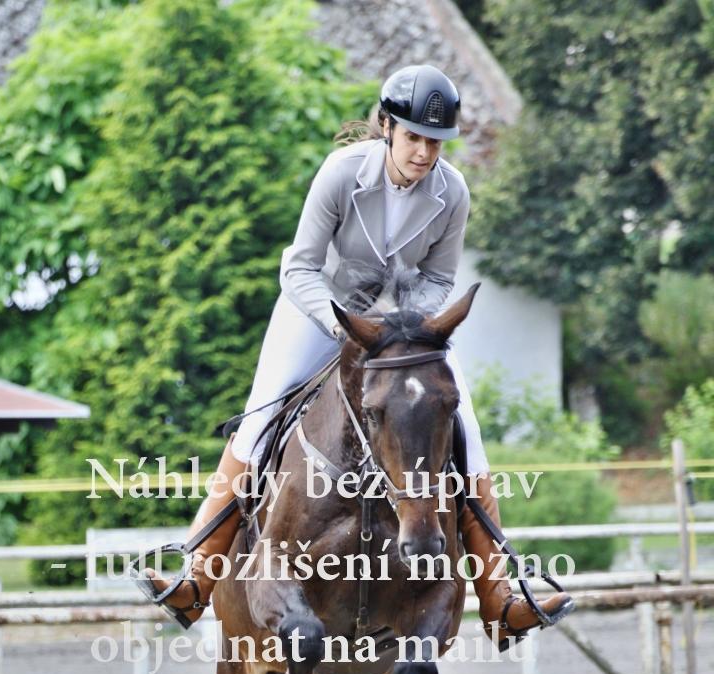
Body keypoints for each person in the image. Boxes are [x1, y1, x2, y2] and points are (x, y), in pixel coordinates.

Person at [144, 63, 571, 643]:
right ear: (387, 127)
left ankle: (500, 594)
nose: (424, 153)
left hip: (400, 331)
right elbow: (299, 267)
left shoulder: (452, 192)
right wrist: (343, 325)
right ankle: (196, 574)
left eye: (436, 143)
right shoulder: (342, 173)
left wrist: (402, 326)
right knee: (262, 415)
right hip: (317, 311)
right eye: (414, 137)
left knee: (463, 424)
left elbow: (439, 279)